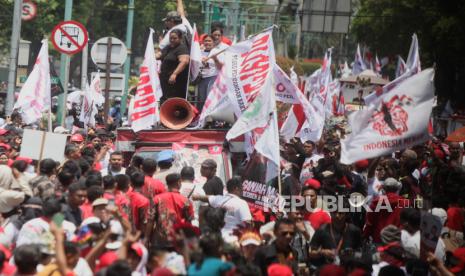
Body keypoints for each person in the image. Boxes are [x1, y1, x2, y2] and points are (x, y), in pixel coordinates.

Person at [194, 176, 252, 243]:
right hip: (234, 240)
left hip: (219, 239)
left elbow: (207, 198)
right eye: (241, 188)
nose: (242, 190)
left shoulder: (218, 199)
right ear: (236, 188)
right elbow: (248, 224)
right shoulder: (242, 203)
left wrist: (195, 197)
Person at [148, 173, 193, 244]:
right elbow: (189, 222)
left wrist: (146, 238)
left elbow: (150, 220)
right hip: (178, 239)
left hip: (159, 239)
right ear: (179, 182)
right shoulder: (185, 201)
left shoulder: (156, 199)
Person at [158, 29, 190, 102]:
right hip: (165, 80)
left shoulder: (182, 48)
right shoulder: (168, 47)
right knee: (164, 99)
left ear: (180, 38)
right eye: (170, 38)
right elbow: (159, 54)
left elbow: (184, 61)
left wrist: (174, 74)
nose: (172, 40)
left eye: (175, 38)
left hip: (176, 82)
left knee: (174, 100)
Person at [197, 35, 223, 111]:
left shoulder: (217, 52)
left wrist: (215, 59)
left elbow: (221, 67)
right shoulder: (199, 52)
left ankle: (211, 119)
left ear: (214, 42)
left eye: (209, 41)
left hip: (213, 78)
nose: (207, 42)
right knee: (202, 100)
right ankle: (201, 119)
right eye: (206, 41)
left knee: (210, 99)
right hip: (201, 79)